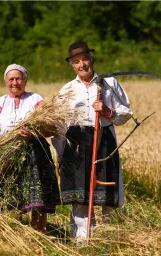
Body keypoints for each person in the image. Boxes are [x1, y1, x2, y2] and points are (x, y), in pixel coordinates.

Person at [52, 42, 133, 239]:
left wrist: (108, 111)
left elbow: (126, 112)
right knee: (79, 197)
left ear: (91, 58)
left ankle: (108, 241)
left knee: (107, 193)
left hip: (103, 140)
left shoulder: (109, 83)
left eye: (85, 59)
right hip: (76, 145)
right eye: (76, 62)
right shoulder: (67, 90)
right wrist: (61, 154)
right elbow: (59, 125)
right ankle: (84, 242)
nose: (82, 65)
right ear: (72, 66)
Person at [0, 64, 59, 233]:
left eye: (18, 78)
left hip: (35, 152)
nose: (15, 82)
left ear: (25, 80)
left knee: (37, 192)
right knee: (6, 191)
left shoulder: (36, 99)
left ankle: (39, 232)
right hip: (8, 152)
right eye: (11, 79)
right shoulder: (1, 102)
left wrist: (33, 133)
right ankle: (11, 233)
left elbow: (52, 127)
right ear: (6, 81)